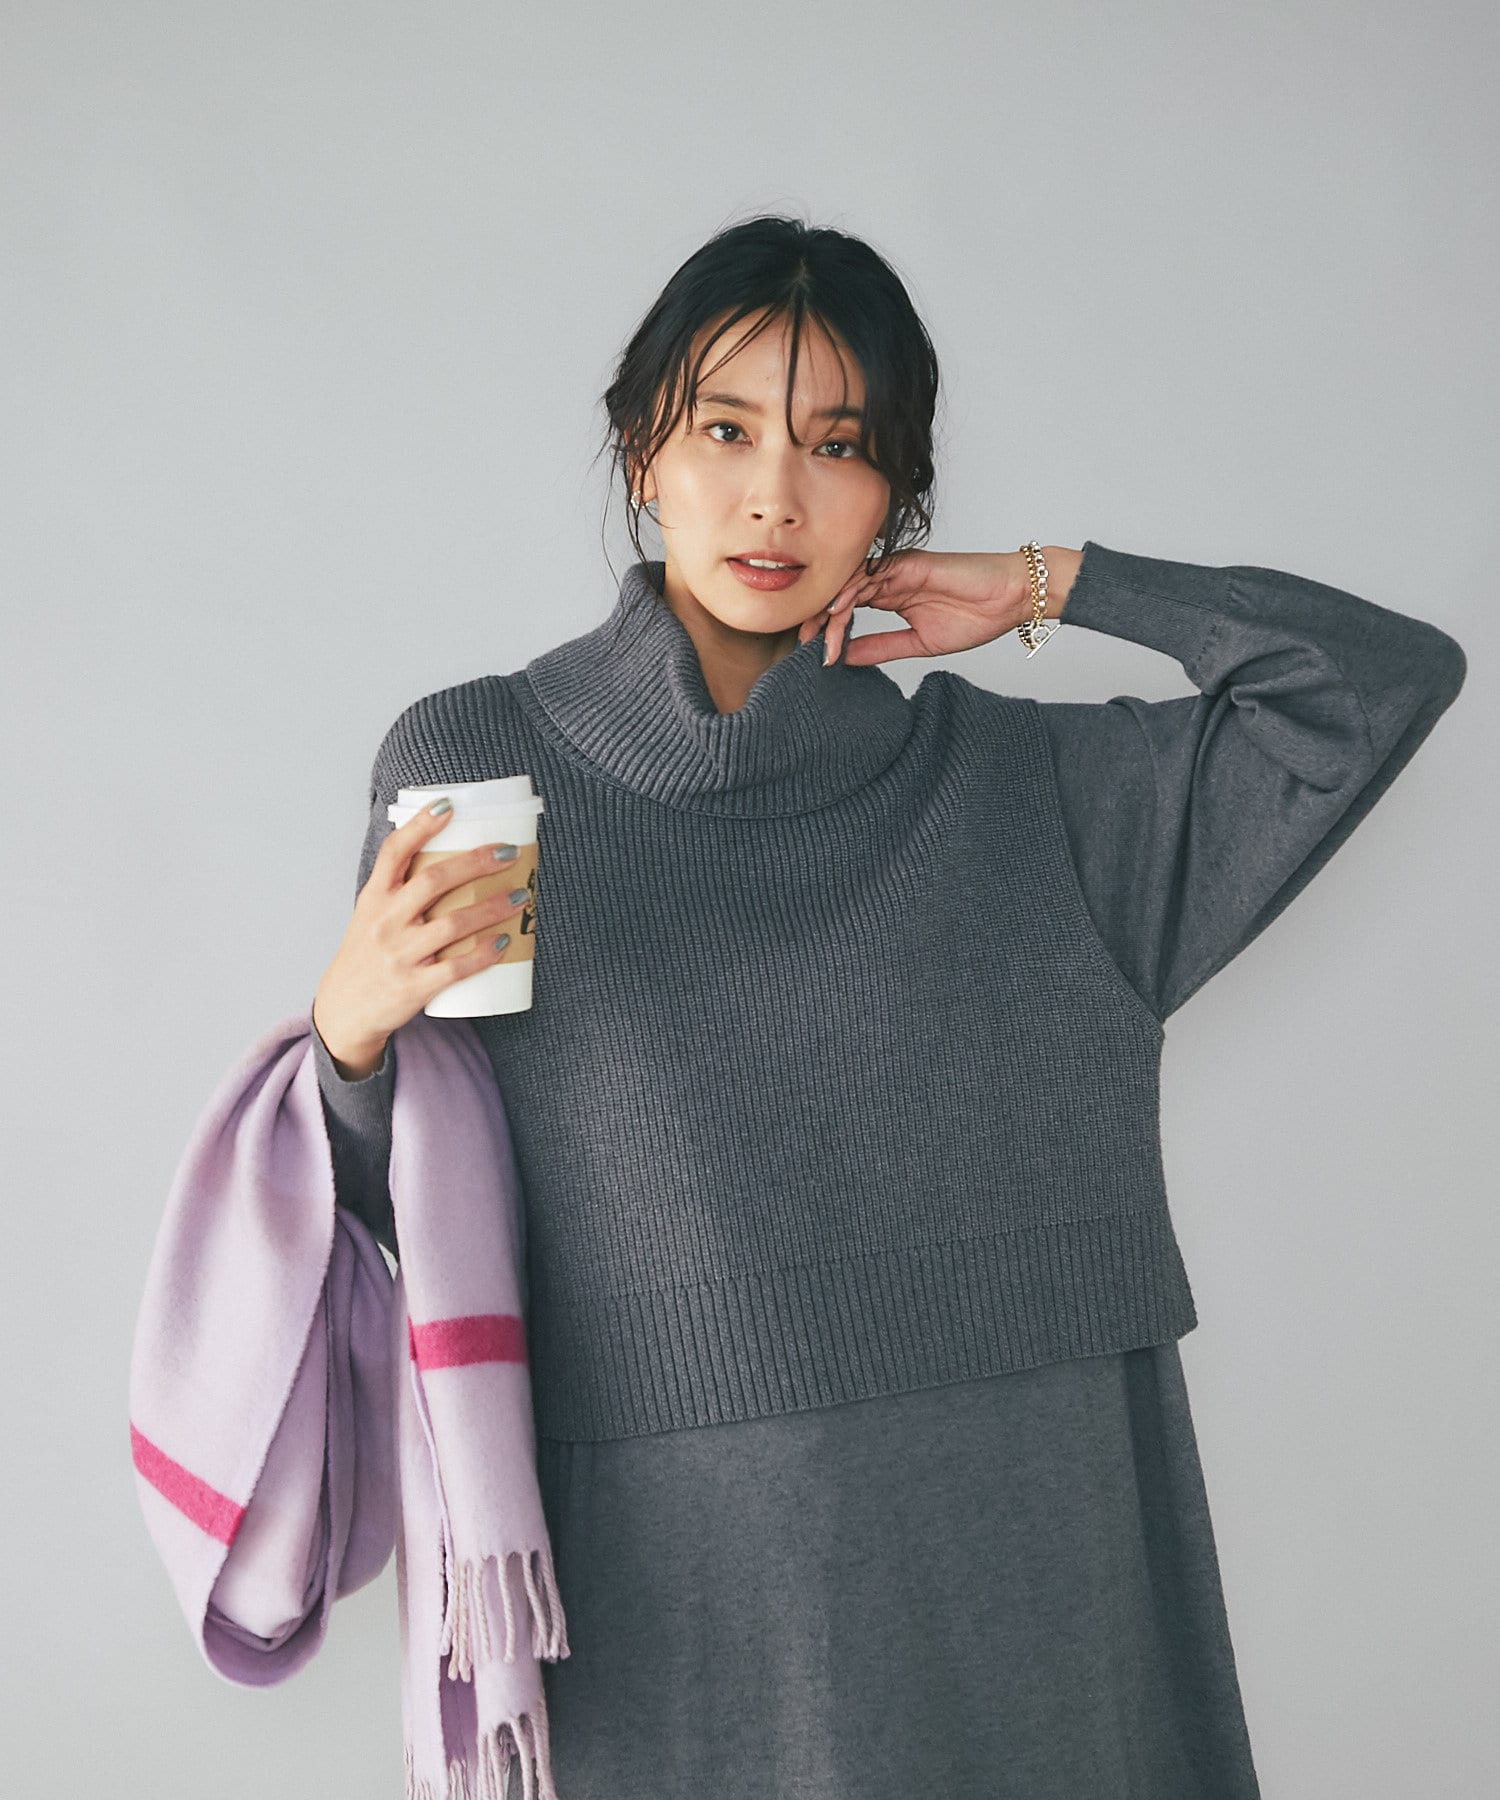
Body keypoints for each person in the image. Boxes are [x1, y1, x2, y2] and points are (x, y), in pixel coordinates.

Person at [307, 214, 1466, 1800]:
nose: (776, 495)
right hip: (674, 1615)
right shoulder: (486, 770)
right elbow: (412, 1223)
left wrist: (1054, 586)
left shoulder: (1036, 800)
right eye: (725, 429)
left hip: (1036, 1578)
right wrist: (350, 1038)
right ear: (641, 452)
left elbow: (1375, 683)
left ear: (897, 500)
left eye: (840, 446)